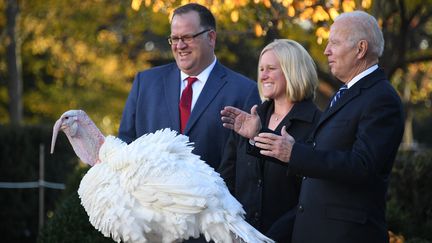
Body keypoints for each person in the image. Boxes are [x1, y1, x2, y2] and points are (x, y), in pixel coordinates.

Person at [221, 11, 404, 243]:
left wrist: (294, 153)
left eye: (334, 43)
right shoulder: (347, 94)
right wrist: (258, 135)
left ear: (360, 49)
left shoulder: (380, 98)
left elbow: (363, 166)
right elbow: (315, 154)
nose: (326, 50)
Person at [118, 3, 260, 172]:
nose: (180, 46)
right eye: (175, 39)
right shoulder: (145, 83)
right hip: (151, 197)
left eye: (187, 38)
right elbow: (125, 144)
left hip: (213, 197)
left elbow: (248, 164)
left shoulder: (243, 90)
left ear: (211, 38)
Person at [218, 39, 321, 242]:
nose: (263, 75)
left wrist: (271, 237)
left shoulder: (318, 124)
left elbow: (312, 195)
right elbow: (226, 180)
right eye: (261, 69)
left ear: (293, 71)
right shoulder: (247, 121)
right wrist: (234, 227)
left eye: (271, 68)